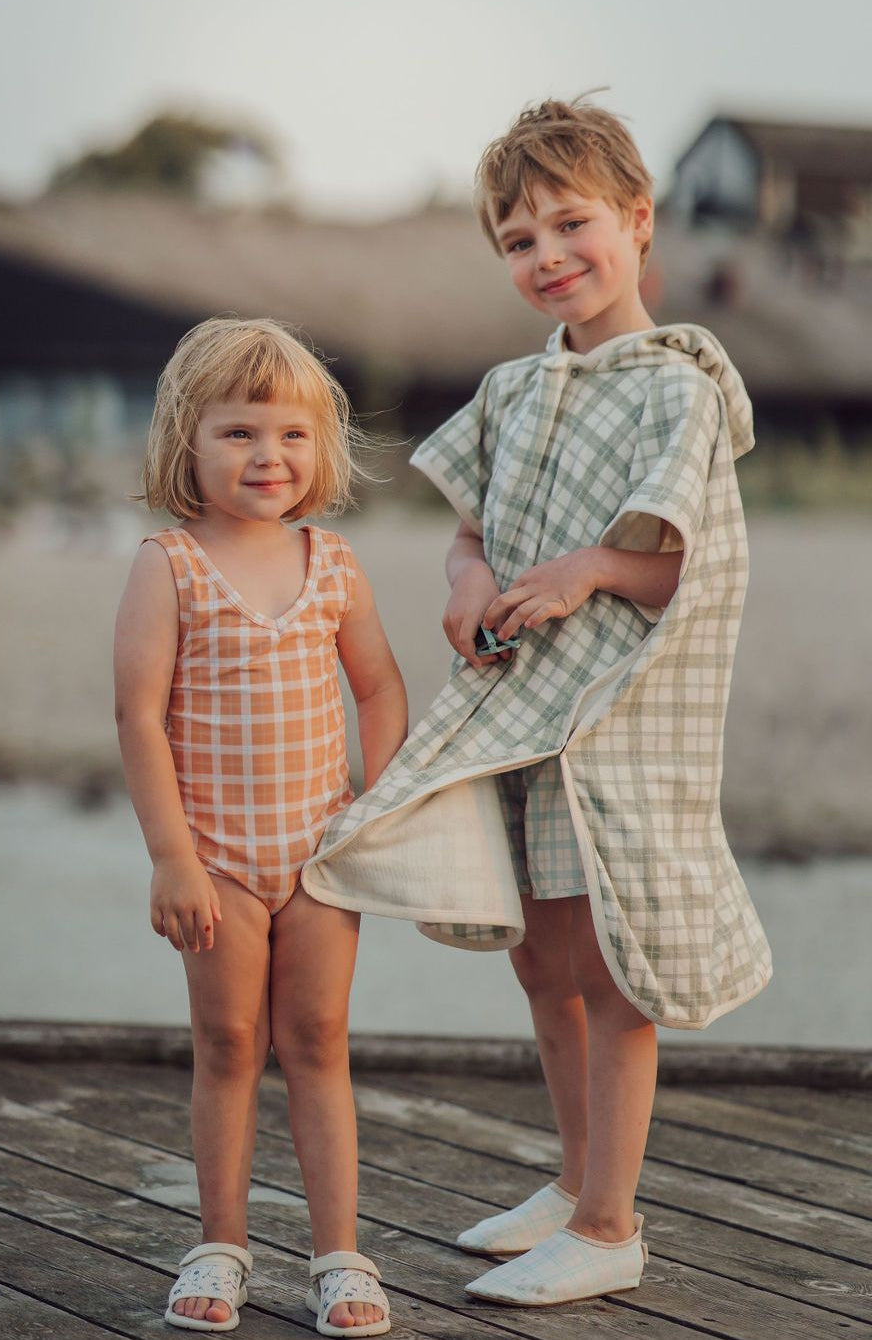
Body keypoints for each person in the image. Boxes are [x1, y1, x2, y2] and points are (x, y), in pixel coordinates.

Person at [302, 98, 771, 1307]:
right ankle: (571, 1188)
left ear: (636, 221)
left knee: (612, 979)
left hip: (607, 730)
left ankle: (613, 1224)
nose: (549, 255)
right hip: (518, 718)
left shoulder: (677, 389)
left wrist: (591, 570)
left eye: (573, 225)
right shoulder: (512, 390)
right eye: (519, 240)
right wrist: (466, 579)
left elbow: (694, 568)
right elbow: (468, 524)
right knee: (544, 968)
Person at [114, 317, 406, 1335]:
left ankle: (339, 1255)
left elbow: (378, 689)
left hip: (321, 856)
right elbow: (138, 718)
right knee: (229, 1042)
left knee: (319, 1039)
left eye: (289, 434)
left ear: (319, 446)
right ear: (186, 443)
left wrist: (374, 808)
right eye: (238, 433)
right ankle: (221, 1245)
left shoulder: (332, 563)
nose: (267, 456)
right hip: (219, 863)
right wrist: (172, 860)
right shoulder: (170, 565)